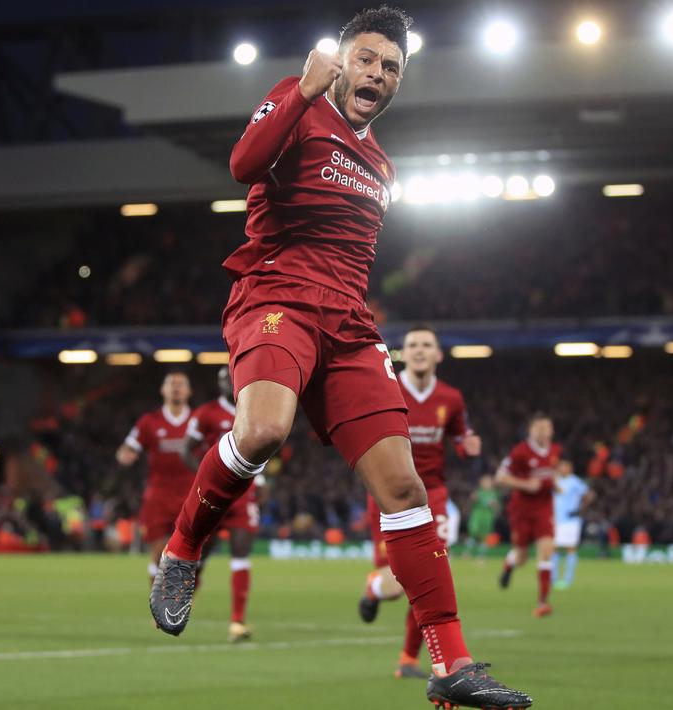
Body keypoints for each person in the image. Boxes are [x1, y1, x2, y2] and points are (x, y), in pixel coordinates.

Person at [148, 7, 531, 707]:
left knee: (404, 490)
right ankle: (181, 550)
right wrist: (299, 89)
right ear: (341, 61)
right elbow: (241, 165)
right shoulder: (295, 104)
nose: (376, 75)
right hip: (276, 297)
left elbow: (350, 259)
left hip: (349, 326)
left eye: (390, 68)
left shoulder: (381, 163)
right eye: (366, 60)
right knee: (262, 430)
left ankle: (450, 664)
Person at [357, 325, 481, 680]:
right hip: (387, 493)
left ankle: (408, 659)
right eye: (413, 345)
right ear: (402, 353)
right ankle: (373, 587)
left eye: (427, 344)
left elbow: (460, 435)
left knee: (429, 577)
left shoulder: (451, 398)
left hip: (433, 497)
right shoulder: (386, 388)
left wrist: (466, 446)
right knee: (397, 586)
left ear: (439, 354)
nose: (420, 350)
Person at [183, 367, 261, 643]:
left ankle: (237, 621)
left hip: (243, 495)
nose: (228, 383)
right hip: (214, 495)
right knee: (201, 554)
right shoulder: (206, 413)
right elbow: (186, 450)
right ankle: (182, 605)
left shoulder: (255, 409)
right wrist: (207, 478)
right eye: (224, 379)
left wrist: (260, 479)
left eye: (231, 377)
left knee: (241, 551)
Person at [116, 371, 195, 586]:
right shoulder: (149, 422)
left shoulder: (198, 420)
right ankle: (158, 603)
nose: (176, 388)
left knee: (189, 551)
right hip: (158, 495)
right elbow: (128, 447)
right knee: (159, 550)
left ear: (189, 391)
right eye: (171, 384)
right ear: (163, 390)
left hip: (190, 494)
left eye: (181, 384)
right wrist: (126, 454)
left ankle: (182, 598)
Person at [495, 413, 559, 618]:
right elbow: (501, 477)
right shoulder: (520, 452)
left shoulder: (555, 451)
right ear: (531, 431)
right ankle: (509, 564)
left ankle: (543, 602)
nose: (544, 432)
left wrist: (555, 485)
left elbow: (549, 474)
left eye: (547, 428)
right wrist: (526, 485)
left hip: (544, 508)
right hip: (521, 510)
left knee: (547, 551)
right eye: (539, 428)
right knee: (522, 557)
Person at [551, 460, 593, 590]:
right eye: (560, 467)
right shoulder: (554, 481)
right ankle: (554, 578)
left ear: (570, 469)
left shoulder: (575, 481)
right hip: (556, 520)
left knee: (570, 548)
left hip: (570, 521)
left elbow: (589, 495)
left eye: (565, 467)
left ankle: (568, 579)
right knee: (553, 548)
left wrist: (580, 510)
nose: (562, 469)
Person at [466, 475, 501, 557]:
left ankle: (481, 555)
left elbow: (498, 508)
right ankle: (467, 552)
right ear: (481, 483)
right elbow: (470, 504)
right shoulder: (478, 492)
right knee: (473, 534)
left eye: (489, 482)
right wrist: (472, 499)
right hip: (477, 517)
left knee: (485, 537)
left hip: (487, 518)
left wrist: (494, 505)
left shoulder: (494, 494)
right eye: (485, 482)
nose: (487, 484)